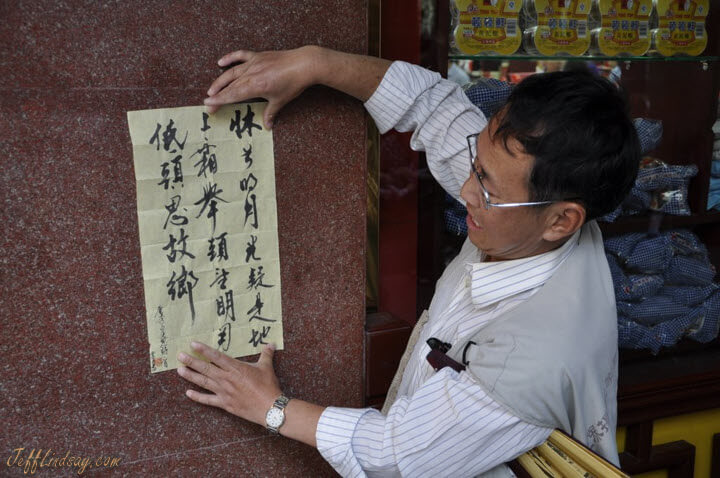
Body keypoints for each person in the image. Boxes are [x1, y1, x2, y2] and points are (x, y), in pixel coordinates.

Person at [176, 45, 640, 477]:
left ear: (563, 220)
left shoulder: (534, 358)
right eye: (475, 166)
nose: (466, 191)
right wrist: (314, 64)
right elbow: (433, 104)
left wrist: (270, 407)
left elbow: (394, 458)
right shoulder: (524, 207)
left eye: (486, 189)